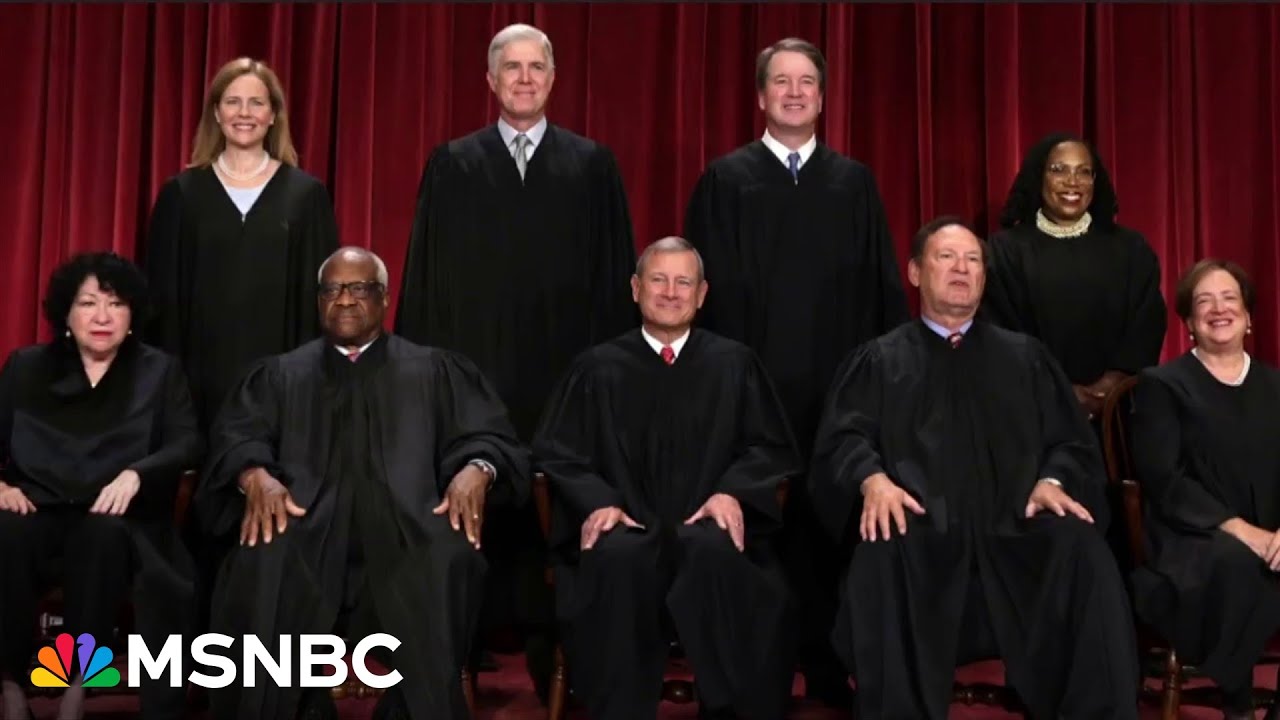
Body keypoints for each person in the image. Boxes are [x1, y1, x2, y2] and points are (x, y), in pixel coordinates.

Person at [810, 217, 1139, 719]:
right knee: (881, 551)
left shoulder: (1026, 358)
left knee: (1082, 547)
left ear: (985, 276)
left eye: (972, 260)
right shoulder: (879, 361)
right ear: (915, 272)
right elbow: (842, 439)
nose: (961, 269)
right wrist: (873, 480)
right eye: (946, 257)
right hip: (920, 532)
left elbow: (1071, 442)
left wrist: (1052, 481)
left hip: (1017, 527)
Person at [393, 23, 636, 693]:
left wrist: (609, 378)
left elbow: (614, 283)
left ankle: (556, 643)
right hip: (478, 373)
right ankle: (464, 644)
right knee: (474, 496)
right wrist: (426, 377)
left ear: (552, 79)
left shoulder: (592, 165)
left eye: (536, 68)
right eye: (512, 68)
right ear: (491, 81)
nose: (524, 79)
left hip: (565, 373)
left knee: (559, 501)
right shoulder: (453, 164)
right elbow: (427, 282)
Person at [195, 247, 529, 720]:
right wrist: (254, 475)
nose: (345, 299)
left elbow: (489, 436)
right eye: (331, 289)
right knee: (261, 559)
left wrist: (478, 468)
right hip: (303, 532)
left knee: (449, 557)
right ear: (318, 300)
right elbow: (237, 437)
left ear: (385, 298)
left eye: (359, 288)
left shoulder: (434, 370)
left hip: (409, 532)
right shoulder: (280, 375)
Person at [683, 36, 909, 703]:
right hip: (752, 392)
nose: (793, 92)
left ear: (822, 97)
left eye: (806, 82)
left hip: (837, 392)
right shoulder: (725, 181)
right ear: (760, 96)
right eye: (780, 81)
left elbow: (881, 292)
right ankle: (760, 674)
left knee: (830, 526)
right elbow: (701, 297)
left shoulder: (854, 184)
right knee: (758, 531)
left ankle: (830, 660)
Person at [534, 237, 801, 720]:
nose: (671, 292)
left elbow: (771, 447)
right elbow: (558, 454)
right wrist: (599, 501)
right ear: (636, 288)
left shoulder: (734, 364)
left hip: (707, 527)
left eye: (683, 282)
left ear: (702, 294)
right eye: (659, 280)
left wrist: (732, 493)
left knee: (719, 556)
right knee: (617, 560)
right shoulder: (597, 368)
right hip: (627, 525)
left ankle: (730, 711)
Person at [0, 253, 202, 720]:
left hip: (116, 517)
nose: (102, 316)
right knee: (6, 530)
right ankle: (9, 682)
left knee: (102, 536)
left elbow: (189, 442)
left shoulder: (158, 371)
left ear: (132, 315)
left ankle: (78, 682)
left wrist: (139, 472)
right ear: (66, 314)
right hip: (39, 508)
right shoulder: (26, 367)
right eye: (88, 303)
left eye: (116, 303)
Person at [145, 56, 340, 431]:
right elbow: (162, 305)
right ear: (216, 113)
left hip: (283, 388)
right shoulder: (181, 195)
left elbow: (319, 302)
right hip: (198, 389)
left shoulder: (306, 196)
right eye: (232, 102)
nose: (244, 113)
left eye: (256, 102)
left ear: (273, 115)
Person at [1130, 259, 1280, 720]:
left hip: (1272, 533)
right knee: (1237, 565)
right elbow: (1164, 478)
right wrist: (1245, 532)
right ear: (1190, 322)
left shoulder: (1276, 385)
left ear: (1248, 316)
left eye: (1229, 298)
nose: (1219, 309)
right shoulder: (1162, 385)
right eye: (1204, 302)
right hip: (1190, 536)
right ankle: (1238, 703)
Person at [981, 132, 1167, 421]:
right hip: (1032, 411)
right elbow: (1000, 332)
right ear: (1039, 177)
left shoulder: (1131, 249)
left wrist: (1108, 388)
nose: (1072, 181)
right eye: (1059, 170)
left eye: (1083, 172)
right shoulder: (1005, 251)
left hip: (1115, 414)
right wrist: (1061, 393)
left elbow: (1147, 322)